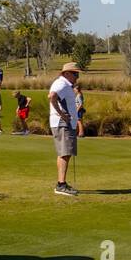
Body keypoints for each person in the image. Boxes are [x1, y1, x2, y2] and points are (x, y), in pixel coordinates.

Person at [48, 62, 82, 196]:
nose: (77, 77)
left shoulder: (66, 85)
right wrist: (62, 114)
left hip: (66, 123)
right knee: (65, 152)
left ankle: (62, 183)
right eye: (75, 74)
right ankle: (61, 184)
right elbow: (52, 96)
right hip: (63, 123)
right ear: (66, 73)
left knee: (65, 152)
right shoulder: (61, 83)